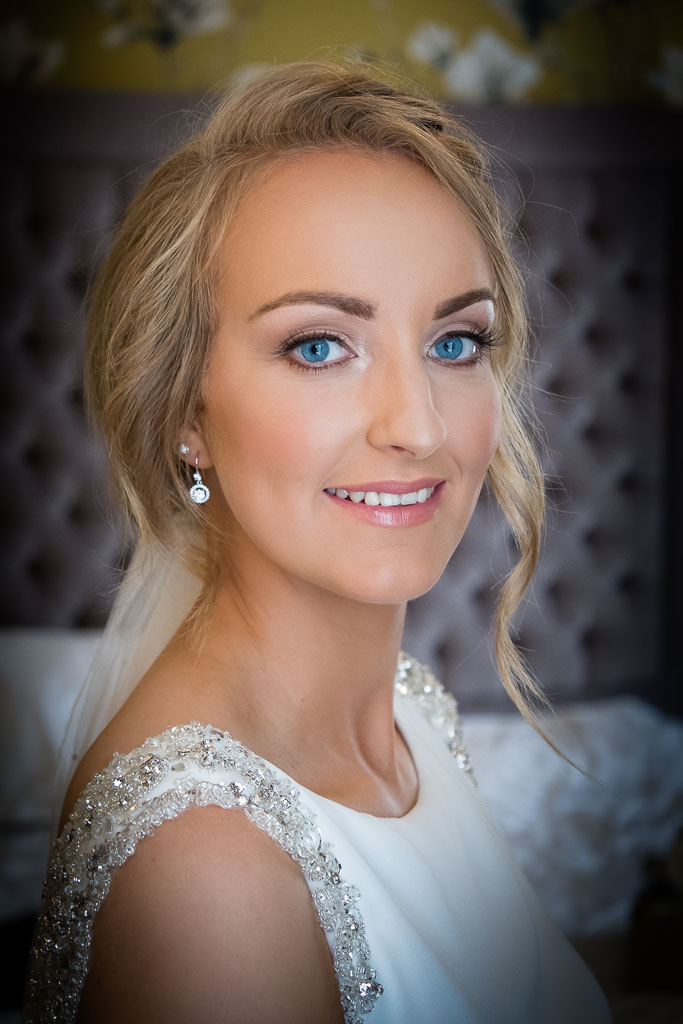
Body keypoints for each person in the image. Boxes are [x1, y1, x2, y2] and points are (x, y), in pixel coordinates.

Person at [25, 62, 610, 1023]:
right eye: (318, 346)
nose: (418, 426)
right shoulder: (208, 867)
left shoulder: (410, 716)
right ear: (186, 413)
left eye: (454, 342)